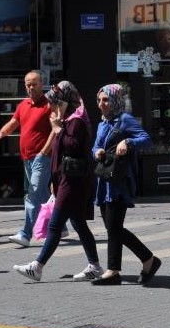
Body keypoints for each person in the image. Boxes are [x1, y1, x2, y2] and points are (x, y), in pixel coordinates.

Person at [13, 81, 104, 282]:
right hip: (66, 179)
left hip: (72, 181)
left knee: (54, 226)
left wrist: (57, 129)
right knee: (79, 224)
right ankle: (95, 265)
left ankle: (37, 266)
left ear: (65, 102)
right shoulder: (69, 118)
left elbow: (72, 146)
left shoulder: (76, 121)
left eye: (55, 103)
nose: (52, 108)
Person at [91, 83, 161, 286]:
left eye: (105, 100)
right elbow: (95, 145)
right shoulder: (103, 123)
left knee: (114, 228)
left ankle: (142, 261)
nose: (101, 104)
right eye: (99, 100)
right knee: (113, 228)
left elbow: (146, 139)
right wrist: (96, 151)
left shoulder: (124, 119)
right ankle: (120, 269)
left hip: (119, 182)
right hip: (104, 180)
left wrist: (128, 143)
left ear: (115, 100)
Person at [0, 70, 53, 247]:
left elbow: (56, 131)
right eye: (28, 84)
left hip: (42, 157)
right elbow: (13, 123)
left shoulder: (49, 105)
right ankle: (59, 226)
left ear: (42, 84)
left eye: (34, 84)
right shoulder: (23, 105)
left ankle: (25, 233)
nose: (31, 87)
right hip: (27, 158)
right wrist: (2, 132)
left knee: (32, 193)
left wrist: (44, 151)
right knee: (42, 195)